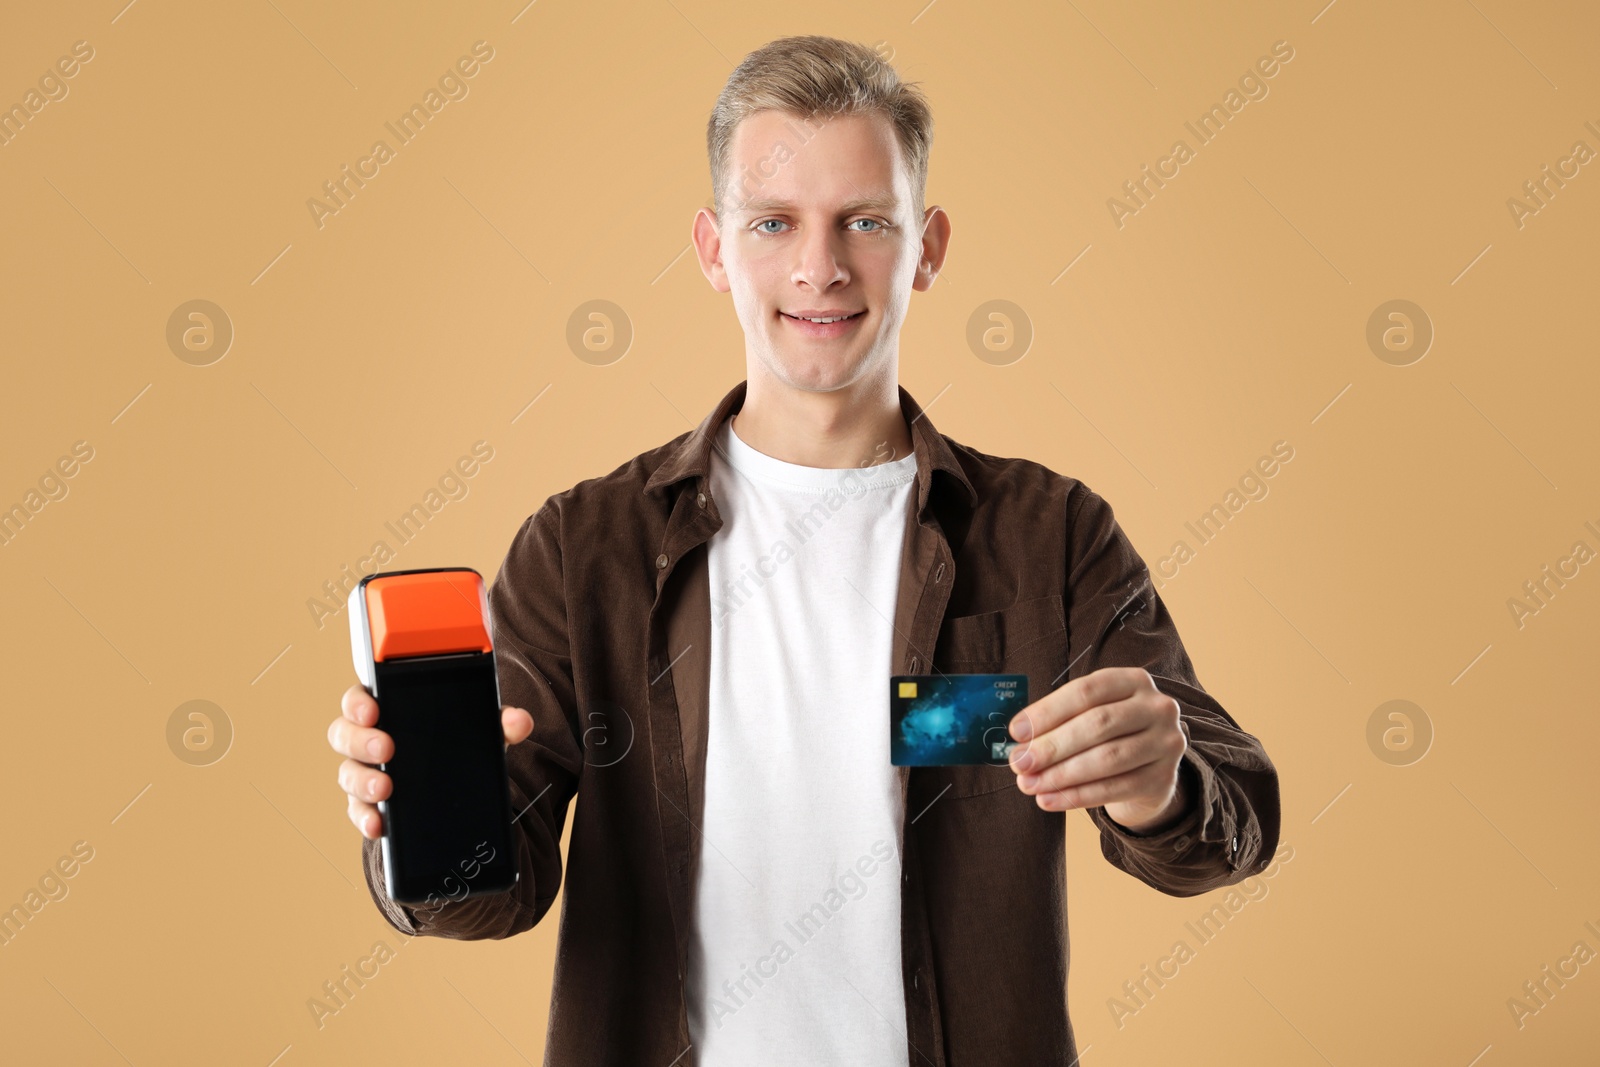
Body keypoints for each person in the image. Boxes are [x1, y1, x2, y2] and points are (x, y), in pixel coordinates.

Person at [327, 34, 1278, 1066]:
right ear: (712, 248)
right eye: (772, 222)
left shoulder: (1047, 533)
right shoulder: (582, 547)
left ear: (927, 246)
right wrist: (413, 814)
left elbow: (1229, 825)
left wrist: (1159, 782)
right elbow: (488, 889)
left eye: (865, 221)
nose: (818, 267)